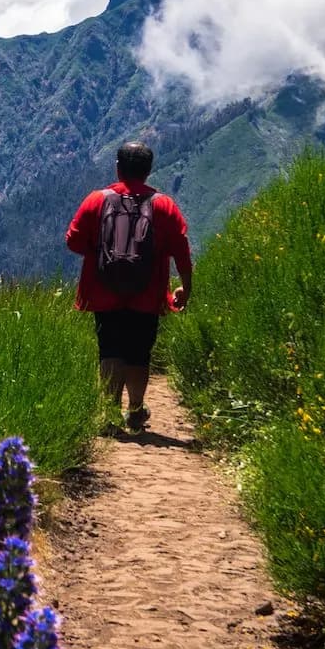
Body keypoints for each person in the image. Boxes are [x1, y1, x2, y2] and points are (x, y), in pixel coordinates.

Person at [65, 140, 192, 432]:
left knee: (109, 349)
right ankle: (135, 410)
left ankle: (110, 414)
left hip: (103, 291)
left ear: (118, 168)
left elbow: (73, 240)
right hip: (148, 294)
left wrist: (100, 252)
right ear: (148, 171)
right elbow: (182, 251)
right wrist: (186, 287)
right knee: (139, 352)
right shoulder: (164, 206)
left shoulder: (97, 200)